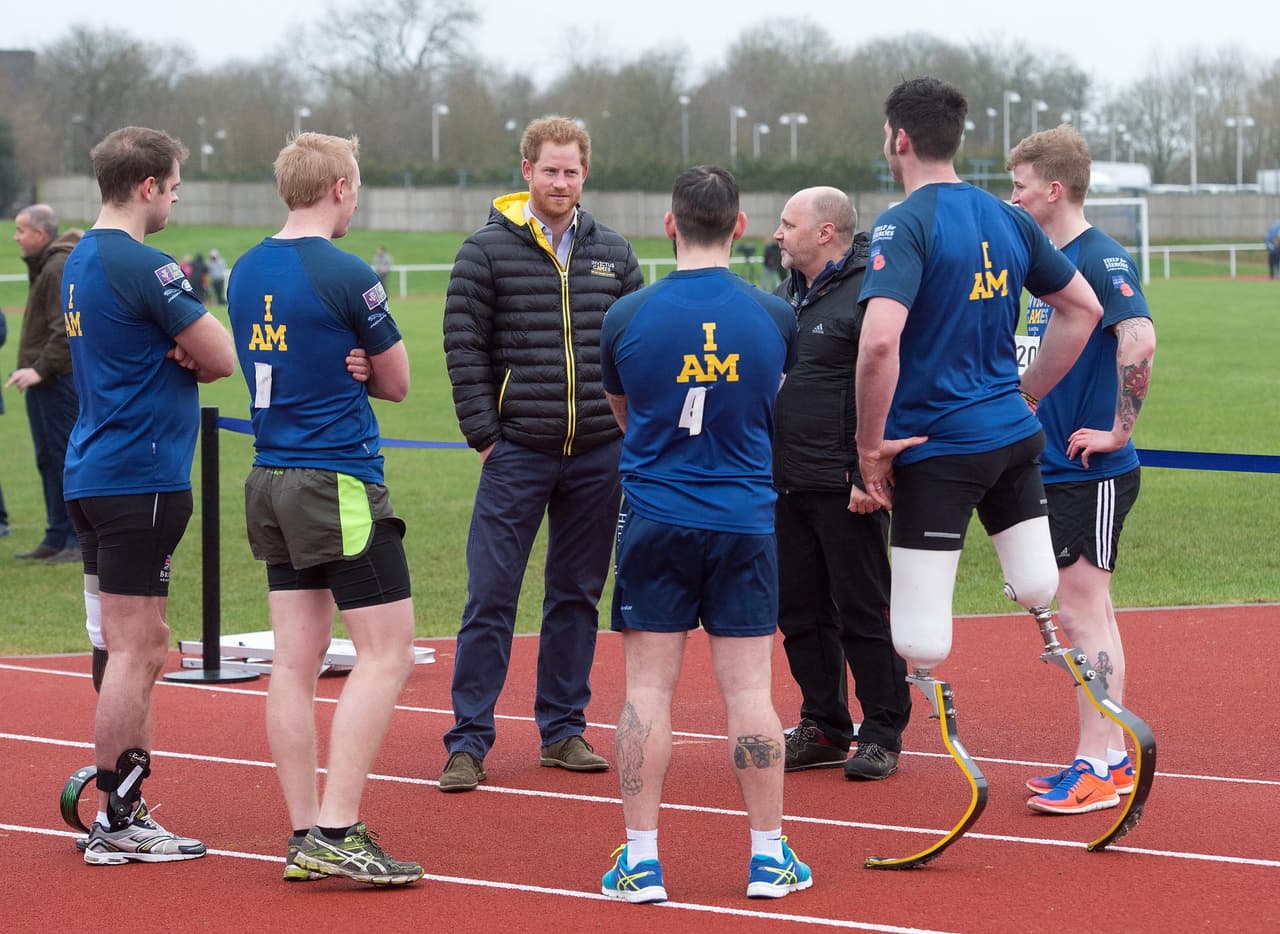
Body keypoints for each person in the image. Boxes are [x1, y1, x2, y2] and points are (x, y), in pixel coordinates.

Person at [853, 78, 1103, 809]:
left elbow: (877, 347)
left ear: (898, 139)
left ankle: (955, 748)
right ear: (954, 139)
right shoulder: (1008, 217)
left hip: (938, 448)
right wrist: (1026, 394)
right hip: (1014, 439)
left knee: (920, 637)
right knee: (1037, 589)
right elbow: (1080, 309)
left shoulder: (904, 224)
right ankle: (1100, 734)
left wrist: (871, 449)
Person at [598, 165, 809, 904]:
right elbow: (768, 403)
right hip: (745, 519)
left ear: (669, 224)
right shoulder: (775, 315)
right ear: (742, 226)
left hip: (656, 514)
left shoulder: (625, 315)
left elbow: (624, 411)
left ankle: (643, 860)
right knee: (751, 690)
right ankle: (768, 855)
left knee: (647, 691)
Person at [228, 131, 423, 885]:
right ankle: (337, 829)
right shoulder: (346, 272)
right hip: (334, 477)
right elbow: (399, 382)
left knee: (295, 663)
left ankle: (305, 832)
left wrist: (351, 365)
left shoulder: (244, 268)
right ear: (340, 187)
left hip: (270, 475)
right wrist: (365, 370)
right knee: (387, 652)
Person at [440, 115, 642, 792]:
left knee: (576, 596)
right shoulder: (484, 252)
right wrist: (485, 436)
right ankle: (468, 742)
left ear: (585, 174)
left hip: (597, 456)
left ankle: (562, 730)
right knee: (491, 596)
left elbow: (637, 349)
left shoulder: (614, 251)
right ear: (525, 170)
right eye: (550, 169)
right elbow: (463, 350)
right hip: (517, 452)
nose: (561, 181)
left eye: (572, 171)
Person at [62, 125, 236, 865]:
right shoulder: (145, 264)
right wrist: (190, 353)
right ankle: (121, 817)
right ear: (146, 186)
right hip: (143, 476)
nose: (175, 198)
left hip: (94, 470)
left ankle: (117, 806)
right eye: (172, 186)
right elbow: (222, 356)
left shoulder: (77, 256)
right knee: (142, 649)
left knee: (117, 645)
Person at [1008, 125, 1157, 814]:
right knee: (1087, 610)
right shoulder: (1047, 265)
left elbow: (1139, 337)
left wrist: (1120, 428)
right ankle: (1111, 756)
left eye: (1020, 185)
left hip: (1090, 472)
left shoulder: (1100, 258)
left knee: (1081, 613)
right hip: (1054, 469)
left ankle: (1098, 763)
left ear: (1054, 190)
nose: (1013, 196)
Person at [770, 187, 912, 780]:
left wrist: (865, 469)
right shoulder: (785, 297)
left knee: (862, 612)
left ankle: (882, 731)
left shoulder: (871, 292)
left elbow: (891, 381)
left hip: (846, 485)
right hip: (785, 484)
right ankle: (825, 724)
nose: (777, 233)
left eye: (788, 223)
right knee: (799, 612)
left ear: (826, 232)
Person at [7, 204, 82, 565]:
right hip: (45, 383)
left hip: (57, 382)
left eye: (21, 231)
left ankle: (74, 537)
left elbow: (65, 329)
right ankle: (56, 534)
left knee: (62, 457)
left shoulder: (56, 268)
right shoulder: (47, 267)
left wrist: (39, 370)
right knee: (46, 459)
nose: (15, 237)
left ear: (41, 234)